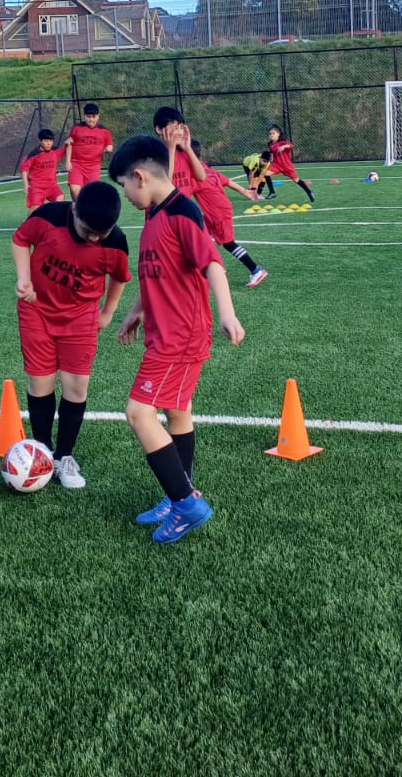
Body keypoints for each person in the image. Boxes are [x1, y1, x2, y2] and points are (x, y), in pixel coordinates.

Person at [108, 135, 245, 545]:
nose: (126, 196)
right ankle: (177, 494)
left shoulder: (184, 212)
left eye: (124, 187)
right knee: (177, 412)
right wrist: (136, 311)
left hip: (179, 337)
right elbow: (158, 273)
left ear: (139, 177)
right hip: (164, 333)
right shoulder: (153, 213)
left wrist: (227, 312)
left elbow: (213, 264)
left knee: (138, 413)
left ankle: (186, 504)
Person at [11, 182, 131, 490]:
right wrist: (24, 279)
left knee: (76, 388)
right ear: (74, 209)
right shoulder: (49, 216)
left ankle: (64, 456)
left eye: (100, 234)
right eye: (88, 230)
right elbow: (21, 239)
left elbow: (120, 278)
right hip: (36, 310)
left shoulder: (116, 242)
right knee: (41, 382)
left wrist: (108, 312)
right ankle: (42, 452)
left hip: (81, 318)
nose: (93, 238)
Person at [190, 139, 269, 288]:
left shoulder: (196, 175)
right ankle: (216, 268)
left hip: (218, 213)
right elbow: (227, 182)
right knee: (200, 232)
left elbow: (181, 193)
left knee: (228, 243)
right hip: (217, 211)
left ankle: (256, 270)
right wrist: (245, 192)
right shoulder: (208, 169)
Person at [153, 106, 204, 199]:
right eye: (175, 128)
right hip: (163, 212)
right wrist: (171, 150)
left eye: (181, 128)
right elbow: (165, 184)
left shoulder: (183, 153)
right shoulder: (153, 155)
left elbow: (202, 177)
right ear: (159, 129)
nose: (180, 133)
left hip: (184, 211)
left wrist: (188, 148)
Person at [65, 102, 115, 199]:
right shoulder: (76, 129)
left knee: (92, 193)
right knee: (74, 189)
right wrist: (67, 161)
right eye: (88, 116)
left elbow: (110, 145)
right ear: (84, 116)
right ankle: (78, 209)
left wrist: (108, 149)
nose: (91, 119)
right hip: (76, 164)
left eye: (93, 116)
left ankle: (87, 211)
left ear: (98, 116)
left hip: (94, 166)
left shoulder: (105, 131)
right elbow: (69, 143)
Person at [266, 125, 315, 202]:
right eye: (270, 134)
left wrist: (284, 146)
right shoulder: (271, 145)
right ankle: (272, 192)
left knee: (296, 180)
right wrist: (268, 160)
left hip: (287, 166)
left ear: (278, 134)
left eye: (273, 133)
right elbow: (272, 156)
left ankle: (309, 192)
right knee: (265, 174)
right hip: (277, 165)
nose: (271, 135)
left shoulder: (283, 142)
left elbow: (291, 146)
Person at [21, 128, 66, 209]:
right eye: (46, 141)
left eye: (50, 141)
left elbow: (67, 149)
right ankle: (30, 221)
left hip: (52, 186)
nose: (49, 143)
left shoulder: (55, 151)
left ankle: (52, 220)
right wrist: (25, 185)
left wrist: (68, 142)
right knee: (35, 211)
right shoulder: (33, 155)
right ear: (40, 141)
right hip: (36, 188)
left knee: (60, 198)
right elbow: (24, 169)